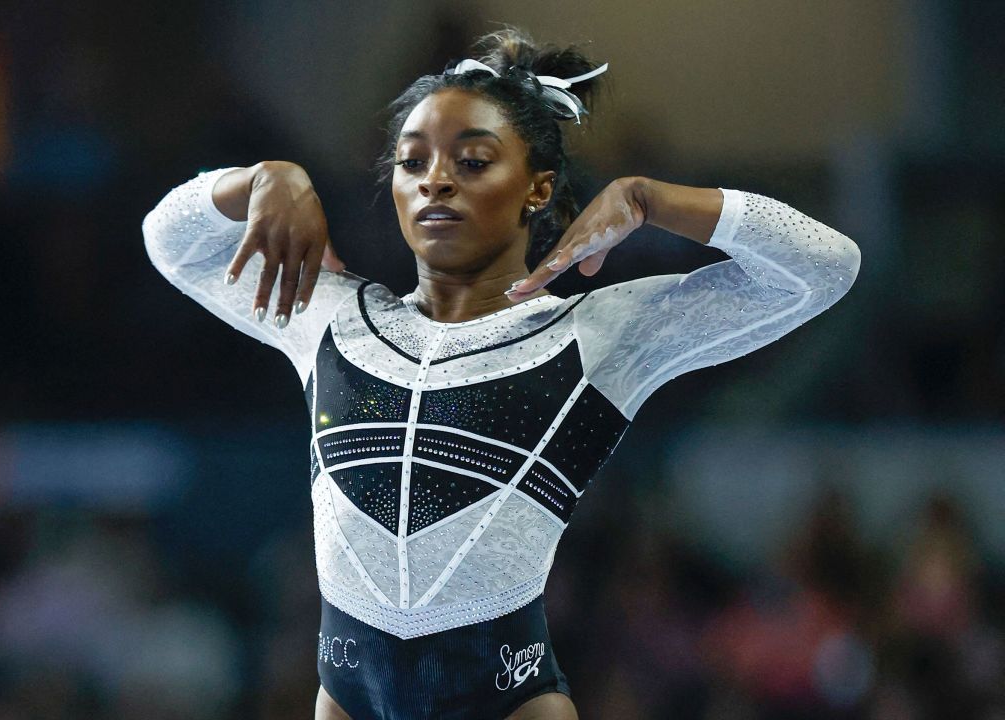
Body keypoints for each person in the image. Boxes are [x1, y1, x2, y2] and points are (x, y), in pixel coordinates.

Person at [142, 26, 860, 720]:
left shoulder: (599, 334)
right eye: (412, 161)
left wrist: (653, 200)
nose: (436, 183)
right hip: (350, 700)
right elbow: (169, 241)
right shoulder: (329, 317)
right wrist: (261, 181)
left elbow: (825, 267)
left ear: (538, 189)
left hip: (507, 699)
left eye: (473, 161)